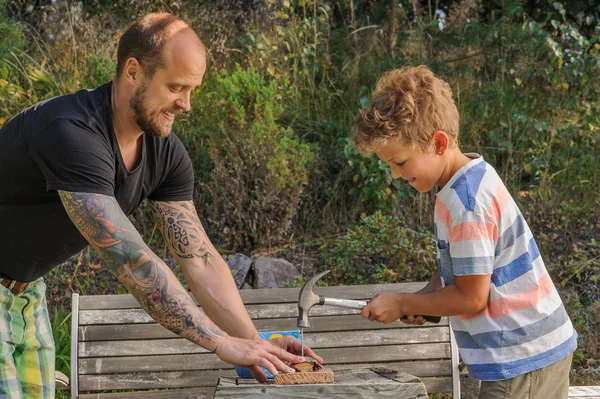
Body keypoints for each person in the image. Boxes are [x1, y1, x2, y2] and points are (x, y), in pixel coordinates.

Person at [0, 12, 322, 398]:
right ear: (133, 71)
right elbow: (132, 261)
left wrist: (254, 343)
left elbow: (200, 260)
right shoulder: (69, 132)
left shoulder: (165, 154)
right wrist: (220, 342)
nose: (185, 104)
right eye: (175, 87)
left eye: (192, 90)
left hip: (24, 295)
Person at [353, 65, 577, 398]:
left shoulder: (466, 202)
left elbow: (472, 297)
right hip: (527, 355)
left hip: (521, 358)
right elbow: (461, 269)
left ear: (439, 143)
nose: (395, 175)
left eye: (400, 162)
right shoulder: (463, 183)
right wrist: (423, 304)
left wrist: (401, 303)